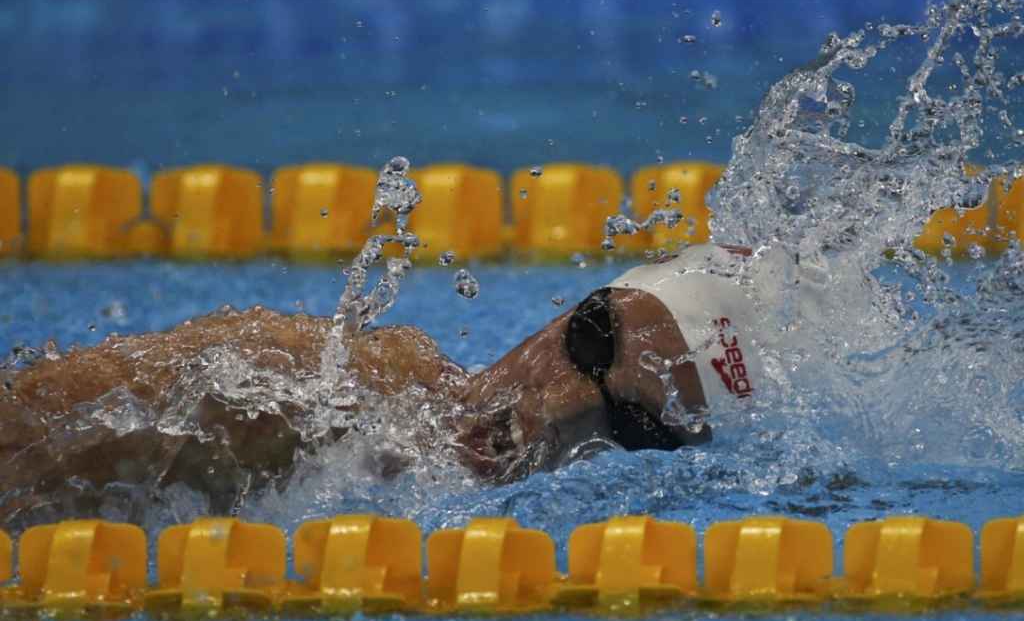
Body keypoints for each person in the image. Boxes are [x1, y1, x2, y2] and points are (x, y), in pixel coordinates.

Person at [0, 243, 766, 528]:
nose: (563, 402)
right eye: (590, 341)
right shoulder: (331, 384)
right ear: (563, 313)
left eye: (632, 424)